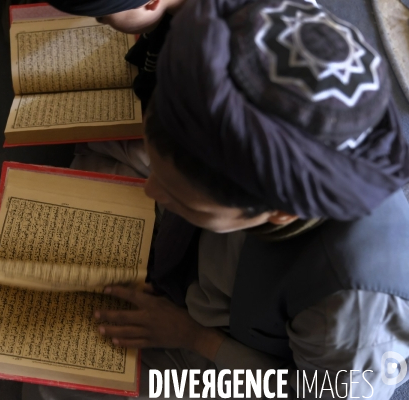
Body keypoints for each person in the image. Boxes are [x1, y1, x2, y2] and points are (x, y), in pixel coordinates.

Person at [23, 0, 409, 398]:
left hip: (231, 351)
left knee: (55, 387)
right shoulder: (265, 49)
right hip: (216, 279)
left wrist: (193, 337)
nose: (150, 191)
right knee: (96, 153)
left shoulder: (354, 307)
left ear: (278, 213)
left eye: (182, 198)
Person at [46, 0, 188, 179]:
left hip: (175, 147)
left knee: (89, 166)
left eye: (101, 17)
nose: (102, 23)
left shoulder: (196, 54)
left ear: (151, 3)